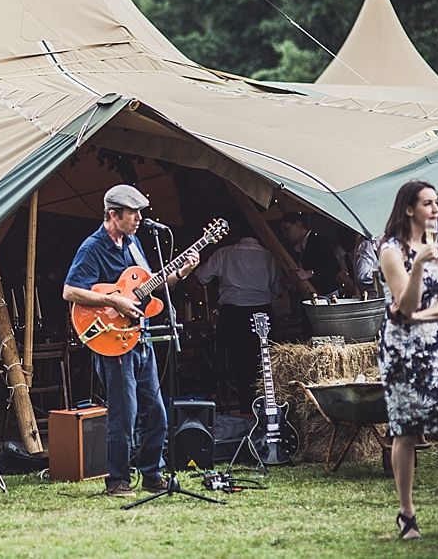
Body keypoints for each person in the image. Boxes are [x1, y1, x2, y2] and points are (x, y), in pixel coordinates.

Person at [63, 184, 199, 497]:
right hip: (113, 339)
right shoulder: (92, 247)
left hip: (141, 337)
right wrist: (118, 304)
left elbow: (149, 288)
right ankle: (118, 481)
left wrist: (181, 273)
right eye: (133, 213)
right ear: (113, 214)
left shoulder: (134, 242)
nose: (139, 218)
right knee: (124, 413)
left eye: (140, 212)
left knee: (156, 412)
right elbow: (70, 291)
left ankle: (152, 474)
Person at [378, 180, 438, 539]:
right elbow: (406, 302)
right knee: (406, 429)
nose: (435, 209)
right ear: (409, 208)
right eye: (428, 203)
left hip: (432, 344)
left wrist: (419, 318)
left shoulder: (434, 245)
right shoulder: (390, 251)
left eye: (436, 203)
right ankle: (407, 515)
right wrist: (417, 271)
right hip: (401, 351)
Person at [195, 222, 281, 413]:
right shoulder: (268, 255)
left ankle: (244, 408)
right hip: (263, 310)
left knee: (237, 361)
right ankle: (267, 406)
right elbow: (276, 288)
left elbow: (201, 276)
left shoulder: (224, 253)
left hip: (234, 313)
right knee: (264, 361)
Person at [279, 212, 341, 296]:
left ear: (298, 225)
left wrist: (310, 273)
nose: (285, 235)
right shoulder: (296, 249)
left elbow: (334, 267)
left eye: (287, 229)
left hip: (327, 294)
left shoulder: (318, 241)